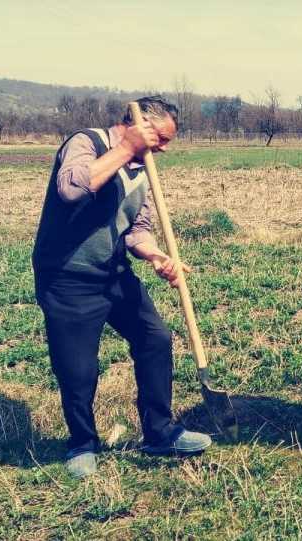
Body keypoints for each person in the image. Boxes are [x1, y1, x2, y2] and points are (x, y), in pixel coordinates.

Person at [32, 96, 211, 478]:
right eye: (159, 139)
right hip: (67, 277)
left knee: (155, 338)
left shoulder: (142, 169)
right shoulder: (86, 143)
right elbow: (71, 188)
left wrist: (156, 257)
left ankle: (160, 432)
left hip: (112, 273)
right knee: (78, 369)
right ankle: (82, 444)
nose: (163, 149)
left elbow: (137, 230)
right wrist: (127, 148)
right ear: (136, 125)